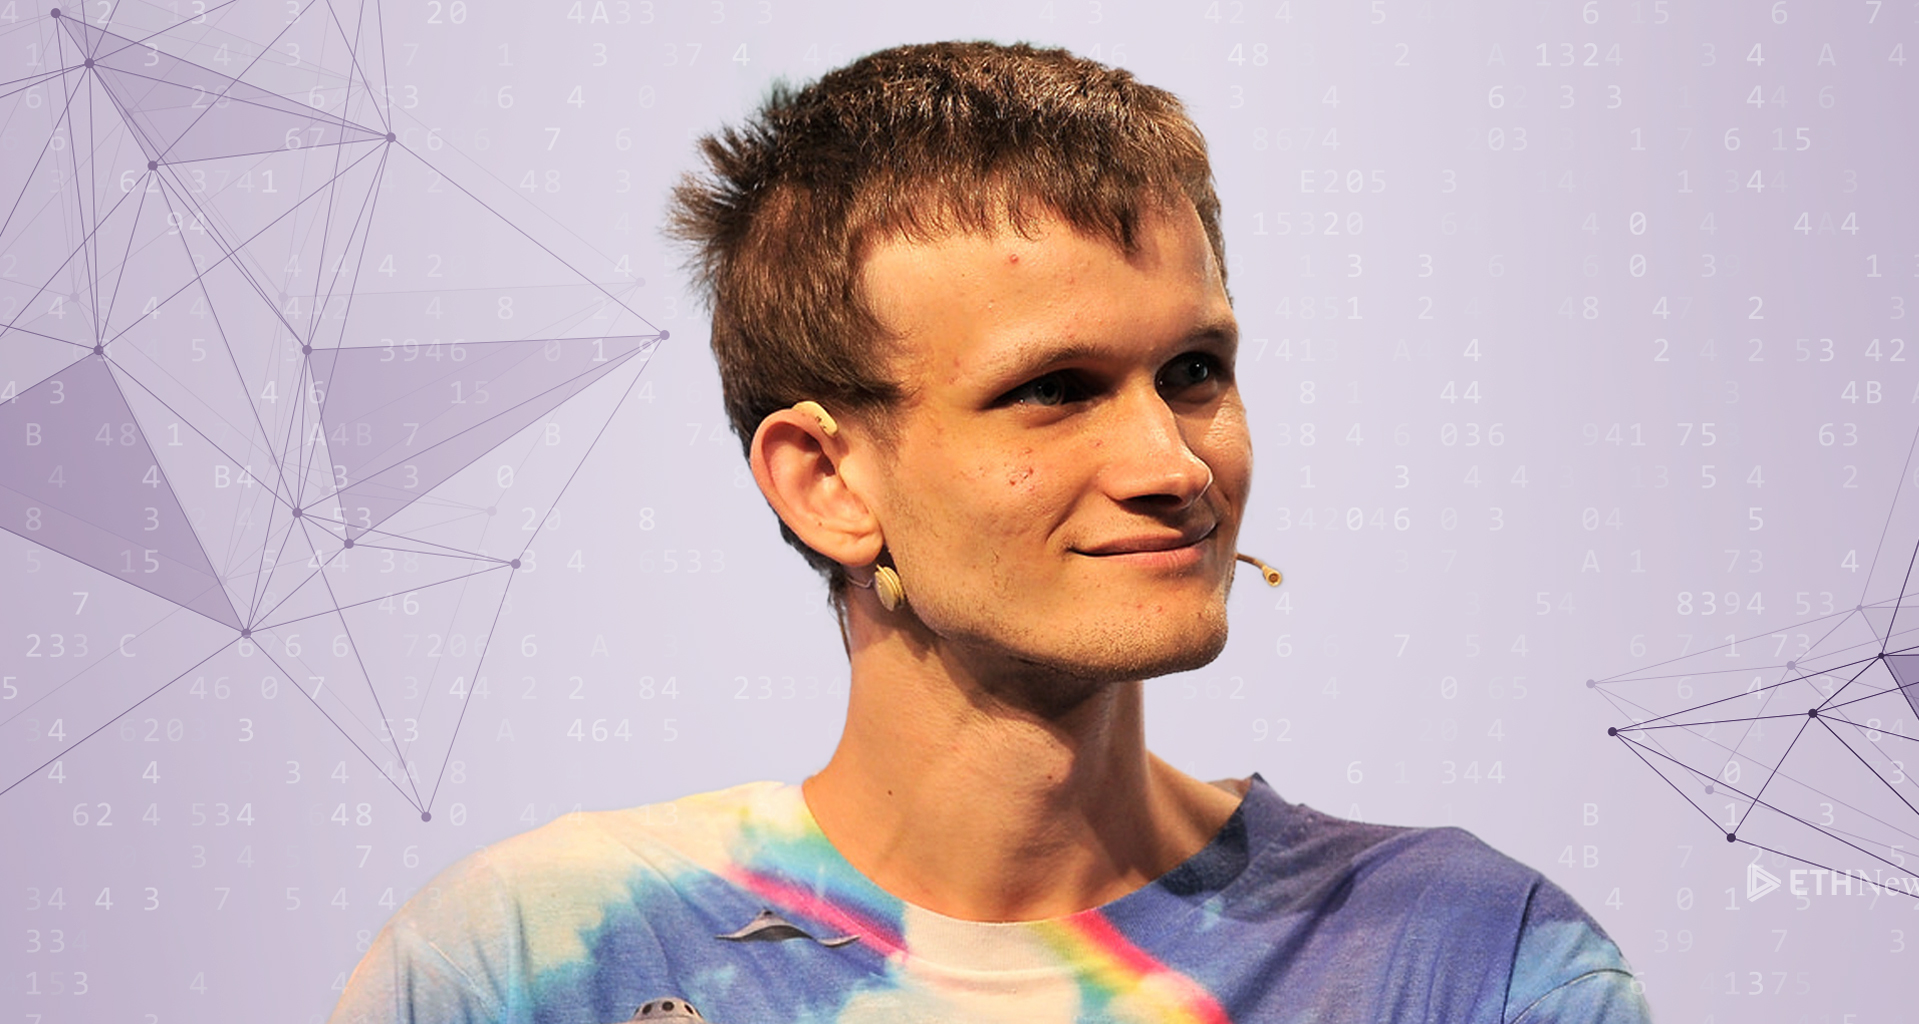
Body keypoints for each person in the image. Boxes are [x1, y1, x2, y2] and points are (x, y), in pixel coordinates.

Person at [329, 41, 1653, 1024]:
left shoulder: (1474, 962)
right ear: (826, 482)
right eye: (1055, 389)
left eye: (1194, 371)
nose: (1173, 464)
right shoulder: (529, 963)